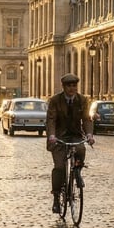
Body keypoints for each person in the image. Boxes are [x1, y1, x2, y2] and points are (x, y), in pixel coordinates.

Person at [46, 73, 95, 213]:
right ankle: (56, 197)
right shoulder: (55, 100)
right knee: (59, 167)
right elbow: (51, 120)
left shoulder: (82, 100)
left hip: (75, 135)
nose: (72, 88)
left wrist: (89, 135)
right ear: (63, 87)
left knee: (80, 149)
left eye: (74, 85)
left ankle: (77, 171)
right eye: (69, 86)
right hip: (59, 137)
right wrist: (52, 135)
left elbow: (86, 119)